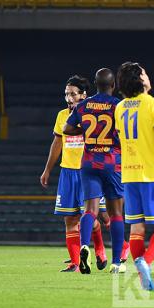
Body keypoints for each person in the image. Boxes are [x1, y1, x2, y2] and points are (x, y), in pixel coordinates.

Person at [40, 75, 113, 272]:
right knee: (70, 219)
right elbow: (57, 142)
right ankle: (76, 263)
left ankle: (101, 249)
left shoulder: (92, 113)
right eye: (66, 94)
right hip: (68, 172)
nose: (69, 98)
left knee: (98, 217)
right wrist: (48, 169)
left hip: (88, 172)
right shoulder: (62, 116)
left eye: (73, 94)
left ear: (83, 95)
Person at [114, 61, 154, 291]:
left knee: (137, 229)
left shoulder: (119, 108)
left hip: (129, 175)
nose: (148, 76)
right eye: (145, 73)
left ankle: (143, 279)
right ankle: (145, 262)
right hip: (152, 174)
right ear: (141, 79)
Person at [64, 68, 125, 274]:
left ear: (96, 84)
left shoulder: (83, 105)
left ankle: (84, 247)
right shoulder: (117, 105)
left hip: (89, 162)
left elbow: (67, 129)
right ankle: (117, 262)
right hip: (111, 162)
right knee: (116, 214)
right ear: (113, 85)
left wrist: (87, 131)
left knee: (90, 210)